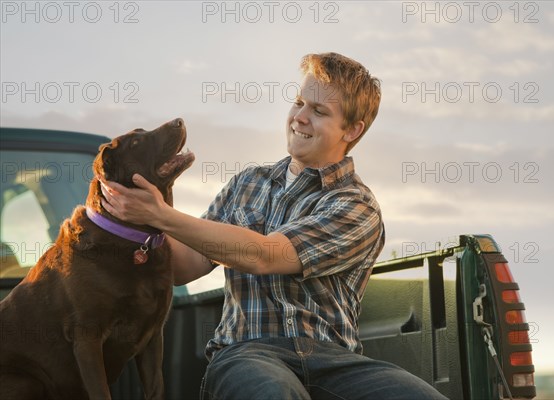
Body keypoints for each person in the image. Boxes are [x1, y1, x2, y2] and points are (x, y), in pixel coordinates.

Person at [101, 52, 447, 400]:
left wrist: (162, 215)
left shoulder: (356, 205)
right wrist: (131, 221)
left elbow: (266, 255)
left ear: (352, 129)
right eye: (299, 103)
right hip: (247, 352)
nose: (300, 117)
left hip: (333, 360)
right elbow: (184, 266)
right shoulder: (247, 183)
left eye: (319, 111)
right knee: (272, 393)